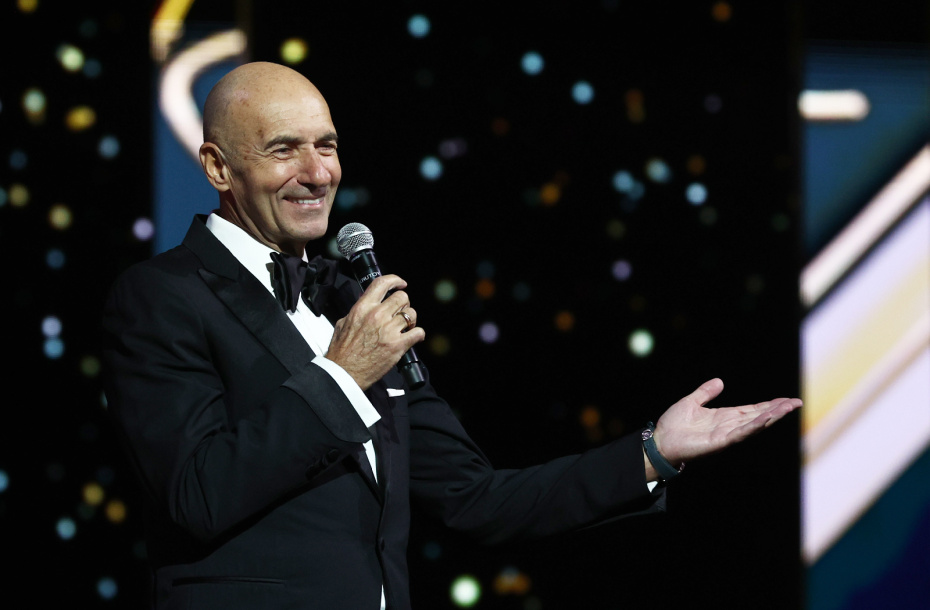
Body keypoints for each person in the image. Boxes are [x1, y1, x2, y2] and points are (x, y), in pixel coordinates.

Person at [102, 61, 800, 610]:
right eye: (284, 150)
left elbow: (476, 500)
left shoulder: (352, 300)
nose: (317, 173)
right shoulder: (161, 296)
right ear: (218, 167)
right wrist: (342, 376)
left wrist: (651, 453)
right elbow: (196, 495)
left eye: (327, 146)